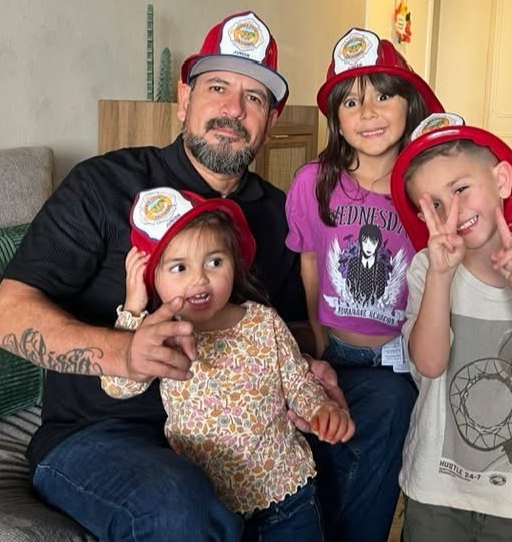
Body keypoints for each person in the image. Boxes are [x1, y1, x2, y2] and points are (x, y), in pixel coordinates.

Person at [0, 11, 344, 541]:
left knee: (379, 401)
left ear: (270, 123)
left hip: (237, 432)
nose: (232, 109)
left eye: (254, 97)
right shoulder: (103, 184)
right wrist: (125, 353)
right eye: (217, 87)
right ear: (184, 98)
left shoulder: (276, 213)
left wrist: (305, 367)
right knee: (179, 503)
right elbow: (5, 318)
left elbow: (293, 330)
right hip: (100, 435)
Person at [100, 187, 354, 540]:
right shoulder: (162, 336)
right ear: (152, 279)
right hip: (212, 508)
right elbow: (118, 385)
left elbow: (297, 381)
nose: (199, 279)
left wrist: (321, 409)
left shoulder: (262, 321)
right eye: (179, 268)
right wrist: (132, 309)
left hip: (287, 495)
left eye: (215, 262)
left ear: (234, 263)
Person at [283, 27, 443, 541]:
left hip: (402, 354)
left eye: (382, 96)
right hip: (336, 347)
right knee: (327, 448)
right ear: (337, 118)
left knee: (388, 450)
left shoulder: (424, 190)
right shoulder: (313, 182)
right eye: (351, 102)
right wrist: (316, 332)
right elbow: (310, 261)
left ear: (408, 103)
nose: (367, 112)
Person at [388, 113, 512, 541]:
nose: (451, 212)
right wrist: (440, 277)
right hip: (434, 486)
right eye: (435, 205)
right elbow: (429, 364)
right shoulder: (426, 269)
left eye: (460, 190)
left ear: (501, 180)